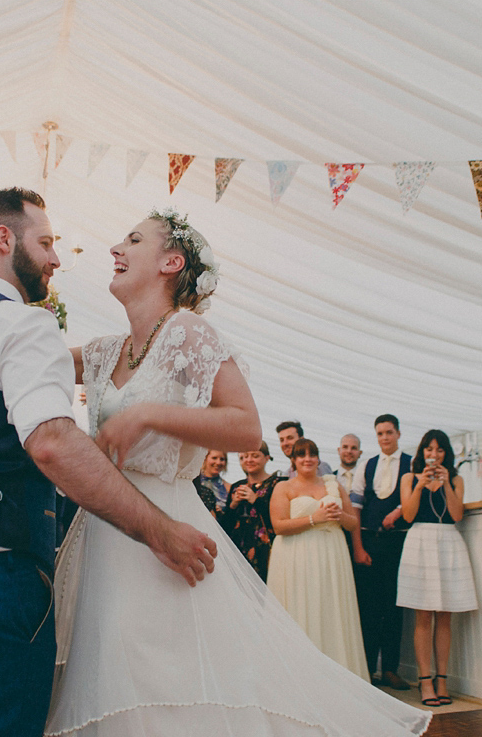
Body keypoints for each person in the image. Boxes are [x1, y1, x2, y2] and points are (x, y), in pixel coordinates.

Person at [47, 207, 429, 735]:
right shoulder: (105, 351)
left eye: (133, 239)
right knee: (113, 679)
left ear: (171, 262)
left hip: (167, 531)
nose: (116, 248)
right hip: (106, 537)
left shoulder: (187, 331)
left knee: (169, 682)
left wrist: (149, 412)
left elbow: (247, 428)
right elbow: (31, 360)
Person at [0, 188, 218, 737]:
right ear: (5, 239)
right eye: (46, 243)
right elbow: (52, 441)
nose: (56, 258)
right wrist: (159, 530)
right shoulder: (21, 324)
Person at [267, 438, 369, 678]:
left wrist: (339, 515)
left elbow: (353, 523)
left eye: (312, 454)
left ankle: (338, 673)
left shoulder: (333, 484)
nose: (307, 459)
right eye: (301, 455)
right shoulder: (283, 487)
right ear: (293, 460)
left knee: (331, 610)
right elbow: (278, 526)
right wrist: (315, 518)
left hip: (331, 555)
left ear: (318, 459)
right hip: (296, 556)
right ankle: (301, 675)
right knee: (301, 608)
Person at [396, 430, 477, 708]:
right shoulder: (408, 477)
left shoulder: (455, 479)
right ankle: (425, 680)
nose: (434, 454)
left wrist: (445, 485)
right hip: (420, 540)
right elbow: (407, 514)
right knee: (423, 615)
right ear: (422, 452)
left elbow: (456, 515)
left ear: (446, 454)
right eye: (429, 449)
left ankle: (442, 680)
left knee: (445, 615)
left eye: (440, 450)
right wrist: (420, 485)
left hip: (447, 541)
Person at [350, 414, 413, 690]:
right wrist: (358, 547)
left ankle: (390, 669)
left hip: (399, 543)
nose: (385, 438)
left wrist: (399, 510)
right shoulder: (367, 465)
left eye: (389, 432)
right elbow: (355, 509)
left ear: (398, 433)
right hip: (369, 544)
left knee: (395, 608)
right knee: (369, 609)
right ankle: (367, 670)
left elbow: (416, 500)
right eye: (379, 433)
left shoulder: (413, 464)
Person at [218, 442, 282, 581]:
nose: (249, 460)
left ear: (266, 458)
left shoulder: (277, 484)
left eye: (255, 456)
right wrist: (233, 505)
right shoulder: (236, 486)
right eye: (244, 457)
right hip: (239, 552)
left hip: (266, 552)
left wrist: (256, 500)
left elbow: (277, 520)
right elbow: (225, 527)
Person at [192, 449, 229, 515]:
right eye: (214, 458)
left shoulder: (229, 487)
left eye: (222, 459)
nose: (218, 462)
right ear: (205, 459)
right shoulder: (194, 482)